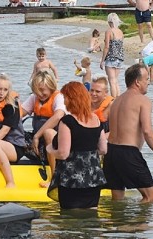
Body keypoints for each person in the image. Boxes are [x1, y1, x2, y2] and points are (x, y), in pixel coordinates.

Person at [103, 63, 153, 203]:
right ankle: (136, 225)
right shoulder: (143, 100)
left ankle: (120, 225)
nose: (148, 83)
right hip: (128, 153)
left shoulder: (116, 101)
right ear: (137, 82)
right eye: (146, 79)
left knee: (117, 201)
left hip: (110, 153)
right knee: (151, 197)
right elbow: (147, 131)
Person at [46, 81, 108, 209]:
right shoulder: (96, 119)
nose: (64, 103)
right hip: (93, 178)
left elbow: (63, 153)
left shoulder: (68, 121)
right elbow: (103, 149)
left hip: (71, 179)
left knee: (70, 220)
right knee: (91, 217)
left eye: (65, 99)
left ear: (71, 99)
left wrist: (50, 149)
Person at [20, 69, 66, 175]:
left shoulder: (58, 98)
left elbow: (58, 116)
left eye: (42, 90)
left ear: (51, 86)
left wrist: (36, 136)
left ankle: (54, 176)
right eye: (36, 90)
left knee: (48, 132)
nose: (40, 94)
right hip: (40, 144)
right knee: (16, 132)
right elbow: (20, 113)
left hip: (58, 142)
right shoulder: (34, 98)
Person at [0, 74, 26, 188]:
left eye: (5, 90)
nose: (1, 93)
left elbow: (5, 130)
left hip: (14, 146)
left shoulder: (12, 106)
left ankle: (10, 182)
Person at [100, 13, 125, 98]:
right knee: (115, 80)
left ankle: (114, 100)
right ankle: (118, 99)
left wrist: (102, 60)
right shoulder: (120, 32)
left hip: (111, 57)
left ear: (109, 21)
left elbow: (106, 47)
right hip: (120, 58)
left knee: (111, 80)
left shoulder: (109, 31)